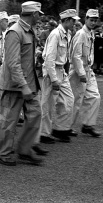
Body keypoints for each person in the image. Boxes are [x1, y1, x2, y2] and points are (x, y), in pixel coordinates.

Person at [0, 1, 44, 166]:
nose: (40, 17)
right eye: (39, 14)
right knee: (8, 121)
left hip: (29, 84)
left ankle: (24, 150)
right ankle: (2, 153)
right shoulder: (15, 32)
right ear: (33, 14)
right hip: (15, 86)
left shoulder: (28, 31)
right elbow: (12, 63)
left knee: (35, 115)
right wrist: (23, 86)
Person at [40, 9, 79, 144]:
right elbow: (49, 58)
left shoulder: (66, 33)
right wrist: (54, 78)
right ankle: (43, 134)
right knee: (48, 104)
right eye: (73, 20)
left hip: (61, 70)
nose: (75, 23)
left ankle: (60, 129)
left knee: (69, 100)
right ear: (67, 20)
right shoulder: (56, 34)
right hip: (53, 71)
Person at [68, 9, 101, 137]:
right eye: (91, 20)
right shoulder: (81, 34)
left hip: (88, 69)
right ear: (86, 19)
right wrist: (81, 73)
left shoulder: (91, 33)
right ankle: (66, 127)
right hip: (78, 71)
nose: (93, 22)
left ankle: (88, 125)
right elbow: (75, 56)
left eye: (95, 20)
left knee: (94, 96)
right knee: (76, 99)